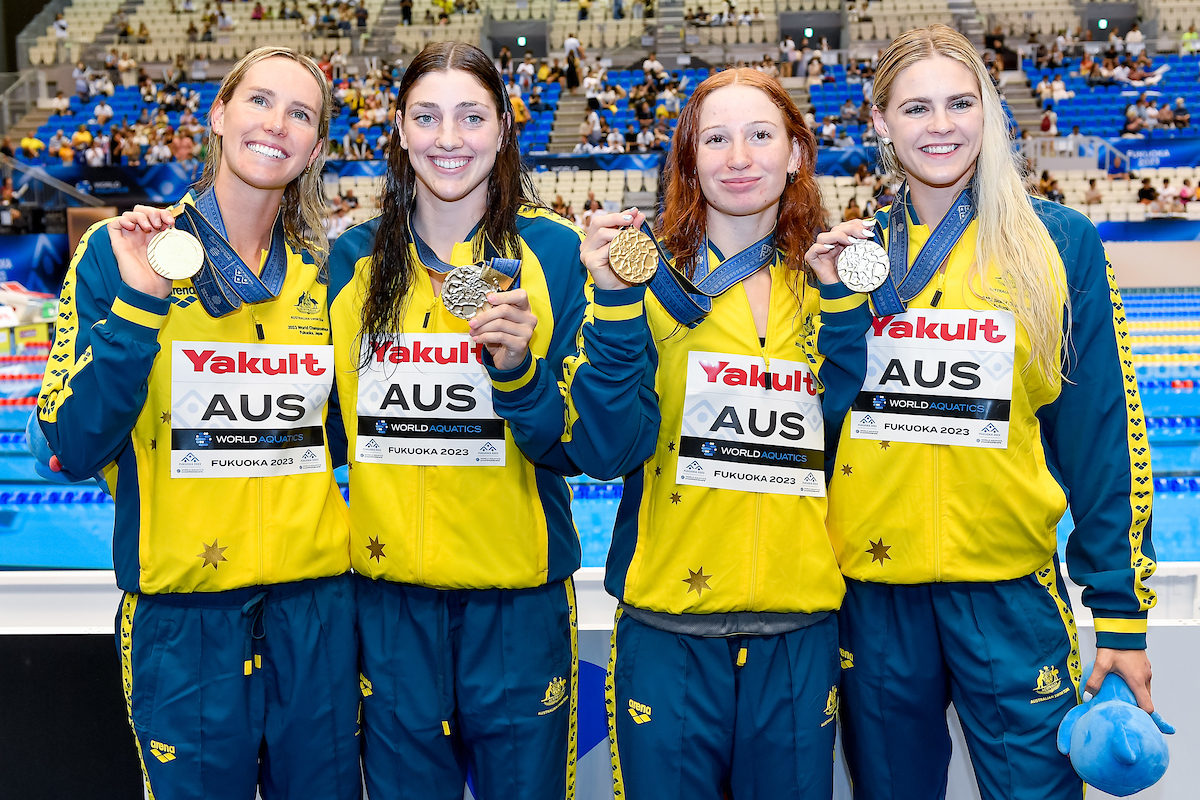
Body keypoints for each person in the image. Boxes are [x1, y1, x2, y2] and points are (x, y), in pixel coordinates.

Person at [830, 25, 1158, 800]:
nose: (939, 125)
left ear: (988, 110)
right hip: (874, 599)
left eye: (957, 102)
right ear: (880, 123)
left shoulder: (1057, 241)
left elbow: (1103, 437)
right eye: (914, 108)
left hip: (1011, 594)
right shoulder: (848, 256)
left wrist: (1119, 613)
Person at [35, 47, 358, 799]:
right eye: (259, 101)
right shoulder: (120, 253)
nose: (277, 123)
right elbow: (75, 444)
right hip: (182, 621)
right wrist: (142, 303)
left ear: (315, 147)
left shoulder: (327, 272)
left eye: (301, 113)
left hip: (317, 612)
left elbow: (342, 431)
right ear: (218, 115)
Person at [564, 67, 871, 800]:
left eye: (761, 135)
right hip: (668, 626)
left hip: (798, 629)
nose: (739, 157)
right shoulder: (639, 280)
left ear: (796, 152)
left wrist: (844, 311)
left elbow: (840, 435)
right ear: (690, 159)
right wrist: (610, 306)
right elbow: (603, 453)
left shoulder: (827, 283)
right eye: (717, 138)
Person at [325, 42, 587, 800]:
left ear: (504, 127)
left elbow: (583, 445)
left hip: (518, 602)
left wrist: (519, 372)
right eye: (427, 118)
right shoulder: (350, 259)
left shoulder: (552, 253)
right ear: (399, 131)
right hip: (389, 597)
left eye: (471, 117)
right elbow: (325, 427)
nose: (449, 139)